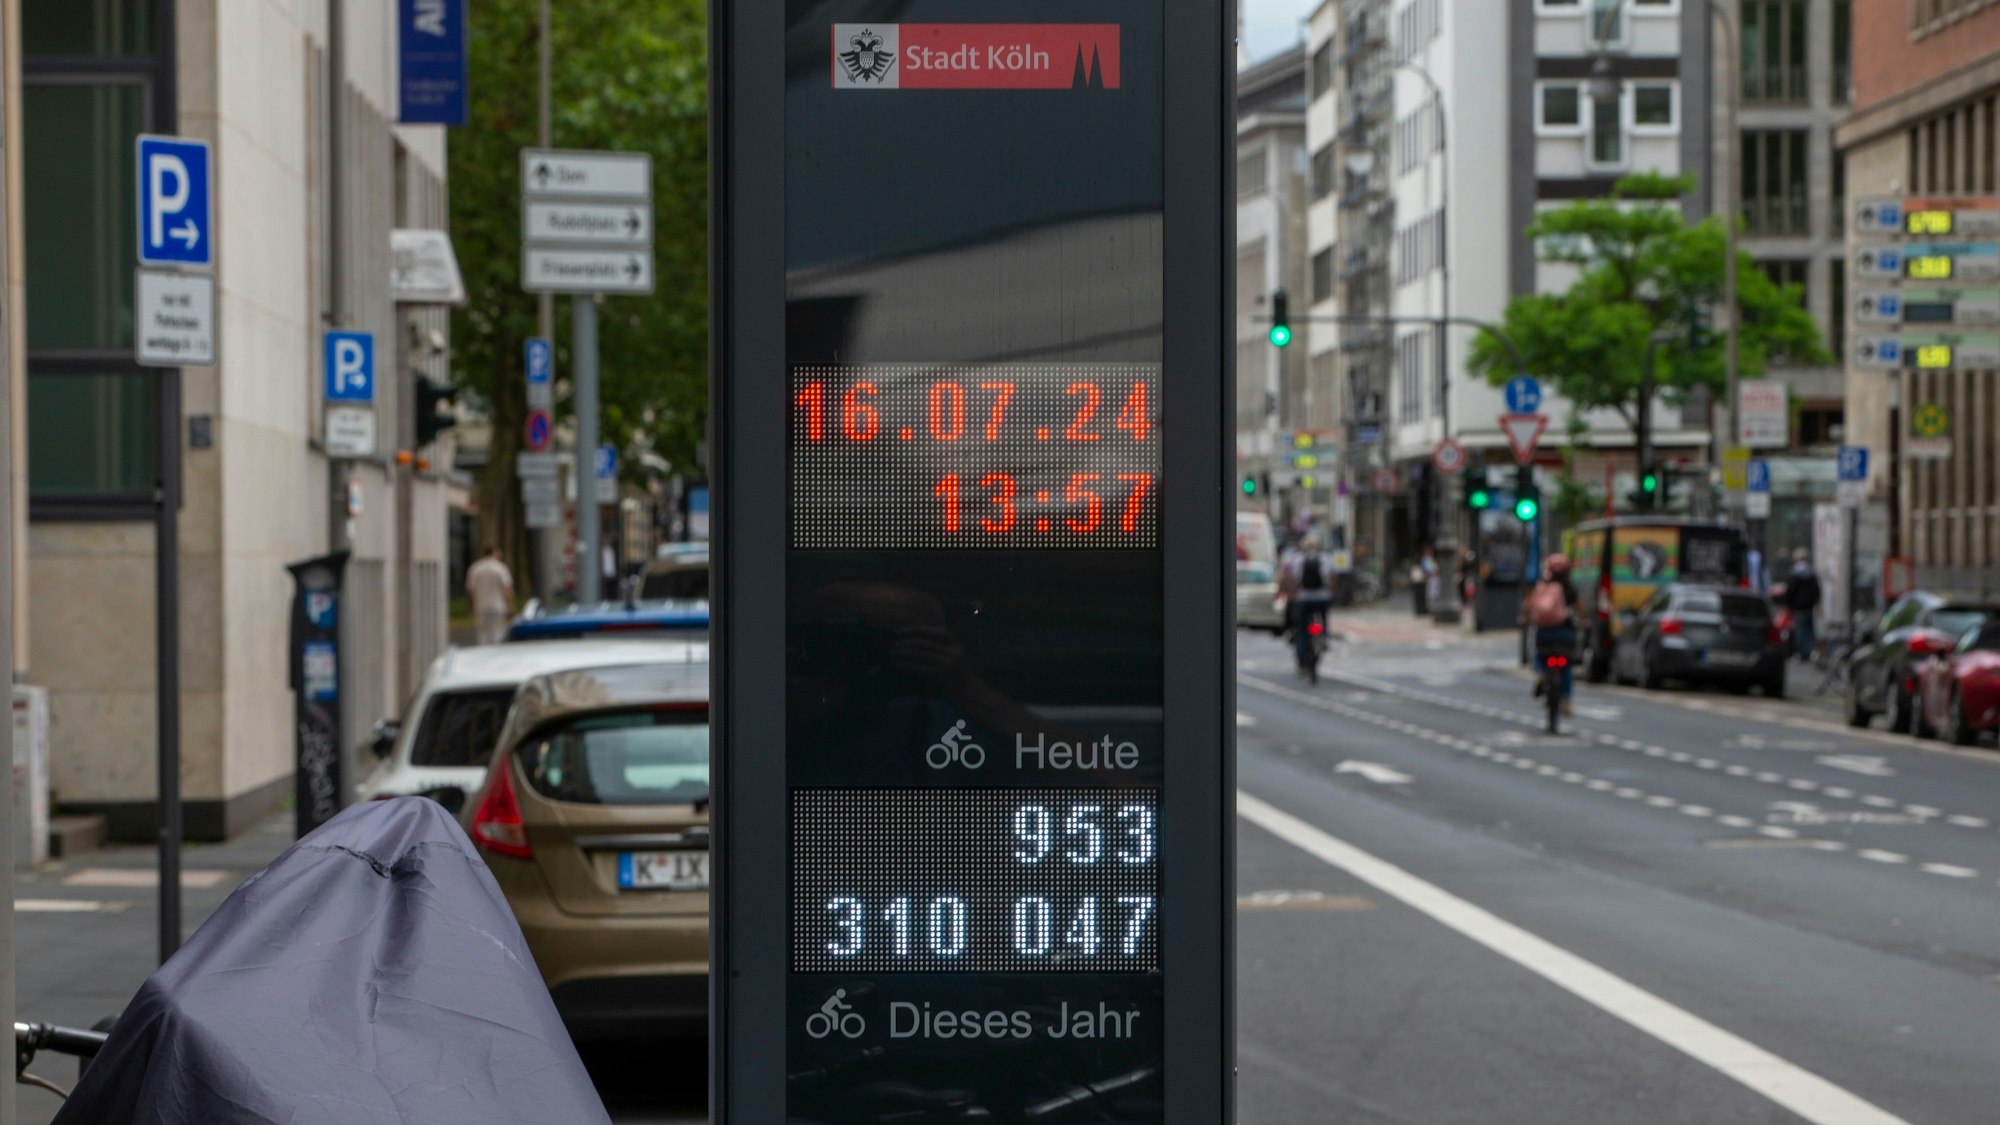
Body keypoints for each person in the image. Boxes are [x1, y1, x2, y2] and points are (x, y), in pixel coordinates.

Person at [1522, 553, 1579, 715]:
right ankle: (1566, 700)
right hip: (1564, 634)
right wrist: (1584, 621)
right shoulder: (1569, 589)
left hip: (1544, 633)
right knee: (1566, 666)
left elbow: (1528, 605)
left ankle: (1540, 673)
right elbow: (1581, 609)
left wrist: (1525, 618)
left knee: (1540, 655)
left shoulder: (1542, 586)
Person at [1280, 535, 1336, 675]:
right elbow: (1332, 577)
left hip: (1303, 598)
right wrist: (1331, 593)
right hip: (1322, 598)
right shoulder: (1325, 558)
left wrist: (1293, 595)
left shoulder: (1297, 558)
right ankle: (1323, 636)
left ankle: (1304, 663)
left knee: (1302, 631)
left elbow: (1291, 578)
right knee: (1323, 616)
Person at [465, 546, 515, 645]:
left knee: (482, 631)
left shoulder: (475, 567)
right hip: (498, 604)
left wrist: (471, 604)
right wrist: (510, 605)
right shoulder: (500, 567)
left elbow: (470, 588)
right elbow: (507, 587)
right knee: (497, 631)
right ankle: (495, 652)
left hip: (481, 605)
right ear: (494, 553)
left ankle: (483, 652)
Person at [1782, 549, 1822, 661]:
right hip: (1809, 606)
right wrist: (1816, 603)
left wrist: (1788, 605)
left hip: (1798, 607)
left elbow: (1790, 591)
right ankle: (1810, 651)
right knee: (1809, 630)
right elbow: (1816, 590)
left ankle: (1803, 652)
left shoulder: (1795, 574)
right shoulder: (1811, 572)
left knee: (1800, 630)